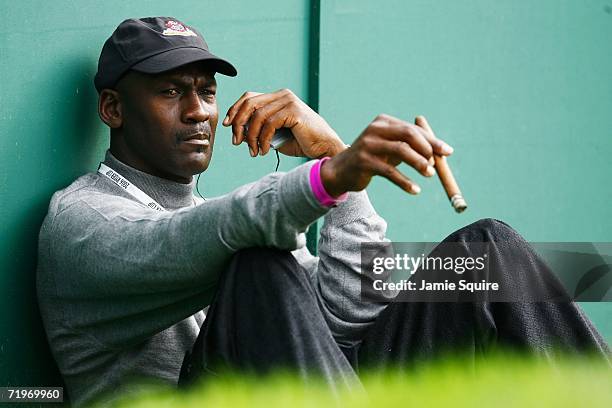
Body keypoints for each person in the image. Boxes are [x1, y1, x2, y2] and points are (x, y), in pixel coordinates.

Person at [36, 17, 610, 407]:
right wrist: (330, 176)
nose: (197, 112)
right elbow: (186, 240)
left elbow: (348, 319)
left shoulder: (234, 229)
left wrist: (334, 158)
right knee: (256, 263)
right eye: (169, 93)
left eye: (206, 93)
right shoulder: (81, 223)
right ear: (112, 108)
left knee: (487, 253)